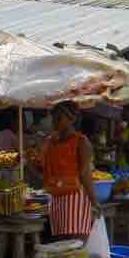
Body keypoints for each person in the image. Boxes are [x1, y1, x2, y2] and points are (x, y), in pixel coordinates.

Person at [43, 102, 100, 240]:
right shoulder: (50, 142)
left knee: (72, 244)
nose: (54, 122)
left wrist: (93, 201)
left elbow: (84, 173)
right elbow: (84, 173)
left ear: (72, 119)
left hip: (72, 198)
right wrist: (94, 201)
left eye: (59, 118)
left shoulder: (81, 141)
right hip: (57, 198)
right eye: (53, 118)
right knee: (68, 245)